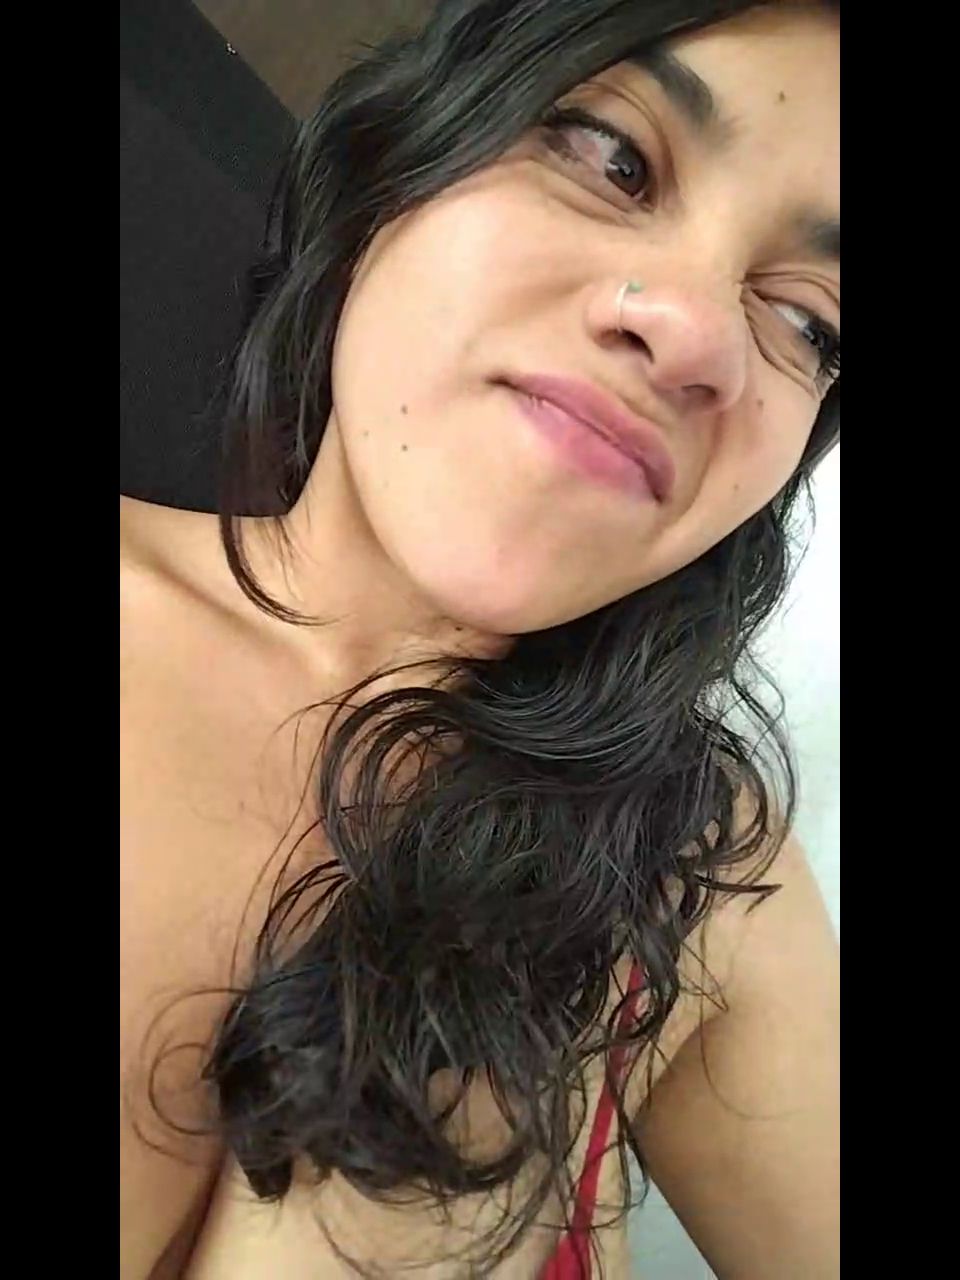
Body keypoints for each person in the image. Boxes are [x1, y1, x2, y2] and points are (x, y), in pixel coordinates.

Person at [119, 1, 840, 1276]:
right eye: (615, 157)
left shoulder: (693, 863)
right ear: (405, 153)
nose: (696, 336)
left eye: (812, 323)